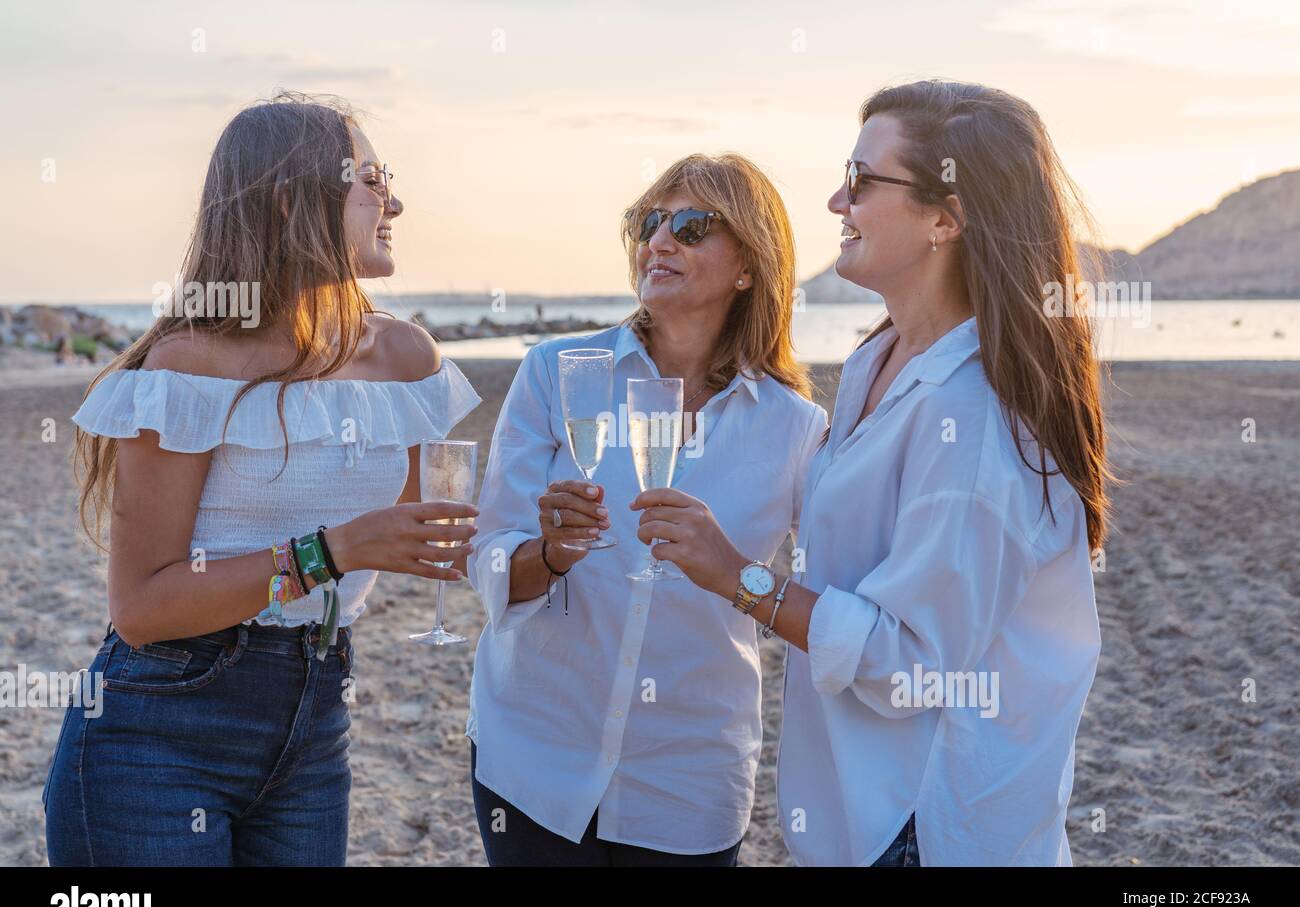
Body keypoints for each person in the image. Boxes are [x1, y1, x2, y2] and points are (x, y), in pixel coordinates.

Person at [632, 80, 1110, 866]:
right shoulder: (875, 359)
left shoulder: (976, 415)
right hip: (857, 810)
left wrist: (739, 579)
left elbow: (912, 665)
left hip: (930, 824)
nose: (834, 201)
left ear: (945, 218)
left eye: (860, 181)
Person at [45, 93, 481, 866]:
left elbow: (437, 526)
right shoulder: (189, 366)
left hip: (317, 721)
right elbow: (143, 608)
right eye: (373, 181)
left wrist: (548, 532)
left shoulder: (407, 358)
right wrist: (332, 551)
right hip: (159, 728)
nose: (396, 202)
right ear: (291, 201)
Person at [466, 153, 827, 865]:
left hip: (689, 777)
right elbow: (488, 556)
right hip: (533, 757)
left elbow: (825, 604)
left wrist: (733, 575)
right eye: (648, 222)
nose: (659, 241)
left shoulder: (795, 428)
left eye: (691, 226)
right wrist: (551, 554)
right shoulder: (556, 371)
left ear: (749, 267)